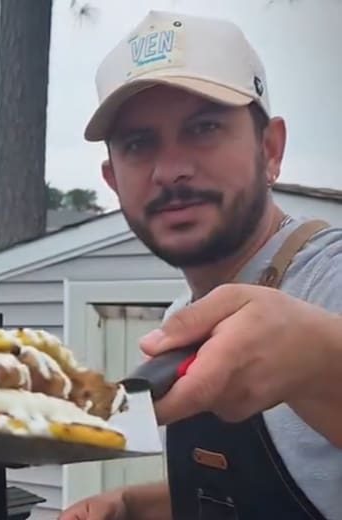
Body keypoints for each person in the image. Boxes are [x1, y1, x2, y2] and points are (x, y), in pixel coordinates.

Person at [59, 9, 342, 520]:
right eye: (139, 144)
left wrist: (322, 363)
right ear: (113, 179)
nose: (170, 170)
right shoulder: (182, 318)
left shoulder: (331, 279)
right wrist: (129, 504)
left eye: (204, 127)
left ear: (270, 148)